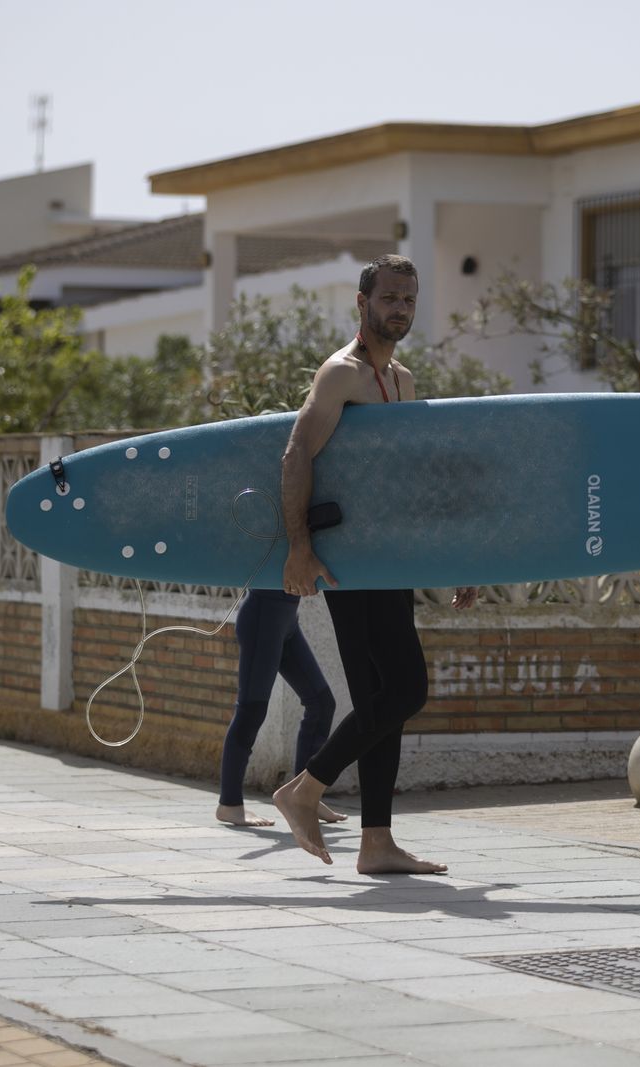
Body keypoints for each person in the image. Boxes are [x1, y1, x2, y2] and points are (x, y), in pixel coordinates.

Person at [269, 254, 477, 874]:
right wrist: (299, 546)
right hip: (350, 561)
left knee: (380, 701)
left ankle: (376, 843)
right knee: (405, 689)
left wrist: (448, 562)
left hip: (390, 556)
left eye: (408, 300)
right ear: (362, 304)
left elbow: (408, 487)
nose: (400, 309)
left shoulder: (403, 382)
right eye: (389, 298)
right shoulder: (341, 375)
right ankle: (304, 790)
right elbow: (296, 453)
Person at [216, 587, 347, 827]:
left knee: (322, 703)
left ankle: (305, 797)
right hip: (262, 617)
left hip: (287, 620)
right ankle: (230, 804)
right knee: (251, 710)